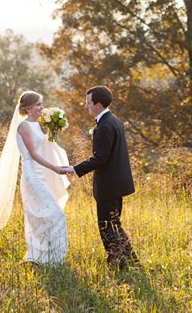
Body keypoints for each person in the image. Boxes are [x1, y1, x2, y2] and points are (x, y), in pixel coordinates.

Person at [0, 91, 71, 264]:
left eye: (41, 104)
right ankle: (43, 256)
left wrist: (52, 131)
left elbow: (44, 146)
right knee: (50, 214)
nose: (42, 107)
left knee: (45, 215)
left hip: (41, 174)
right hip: (32, 175)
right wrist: (55, 168)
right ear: (28, 108)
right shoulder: (24, 126)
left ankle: (46, 256)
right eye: (38, 104)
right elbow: (34, 154)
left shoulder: (36, 125)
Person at [61, 85, 138, 269]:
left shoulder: (104, 126)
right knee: (114, 224)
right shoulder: (115, 120)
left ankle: (117, 264)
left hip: (109, 186)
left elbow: (100, 158)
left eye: (89, 102)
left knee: (107, 226)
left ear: (98, 105)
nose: (86, 106)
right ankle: (131, 262)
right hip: (117, 184)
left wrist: (74, 169)